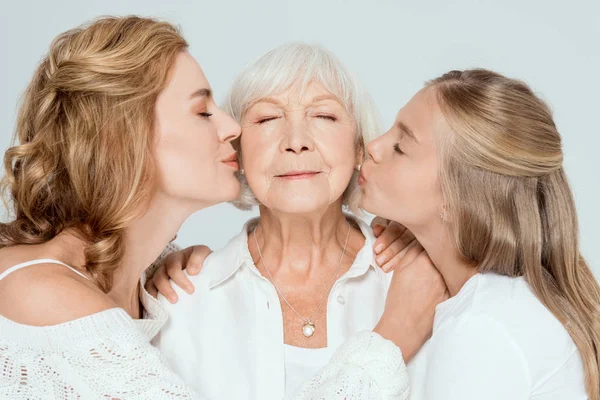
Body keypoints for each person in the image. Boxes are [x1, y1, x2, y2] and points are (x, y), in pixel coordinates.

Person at [0, 16, 446, 399]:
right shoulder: (49, 295)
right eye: (202, 112)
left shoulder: (146, 287)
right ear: (124, 140)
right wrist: (393, 335)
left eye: (325, 116)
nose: (231, 127)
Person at [146, 43, 448, 399]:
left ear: (359, 148)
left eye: (324, 116)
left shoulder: (425, 280)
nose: (296, 142)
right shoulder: (177, 298)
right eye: (267, 119)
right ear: (236, 150)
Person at [359, 69, 600, 400]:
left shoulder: (483, 327)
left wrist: (391, 336)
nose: (373, 146)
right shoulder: (513, 304)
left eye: (401, 146)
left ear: (457, 198)